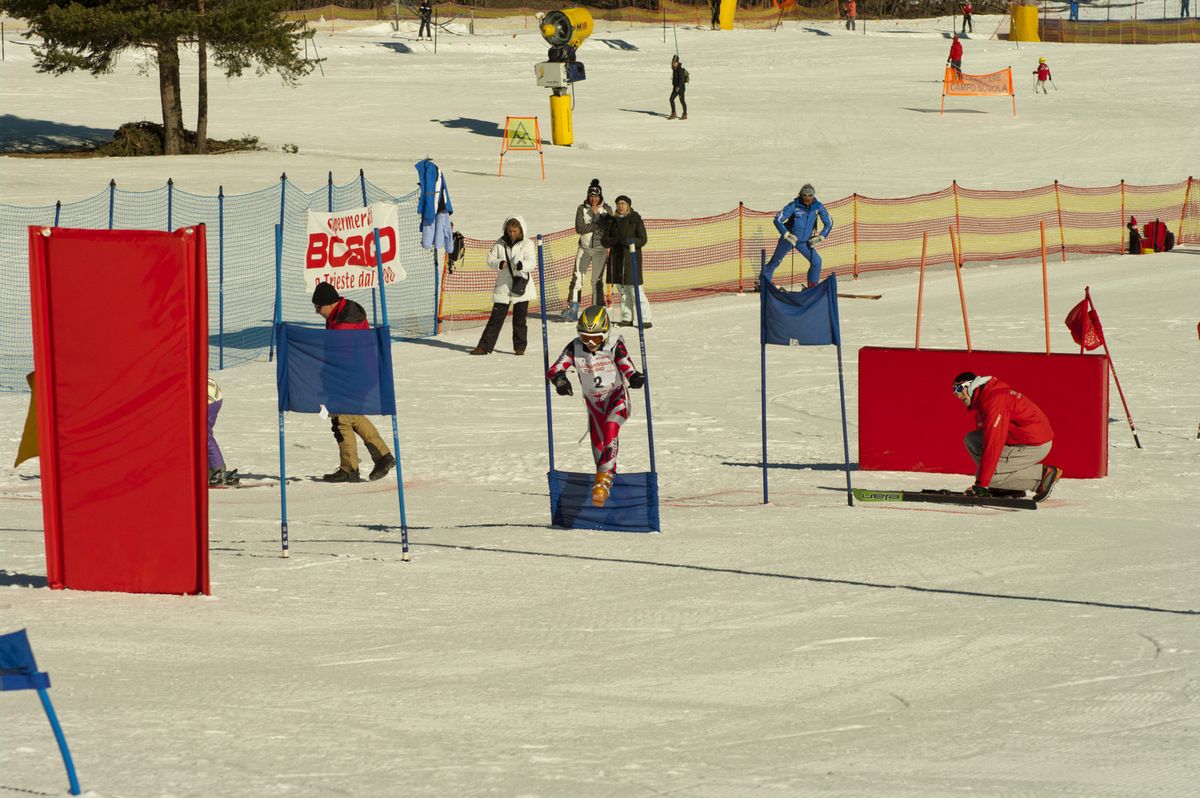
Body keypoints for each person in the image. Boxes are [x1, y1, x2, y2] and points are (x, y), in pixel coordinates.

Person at [547, 305, 645, 508]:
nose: (591, 343)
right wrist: (560, 380)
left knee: (611, 428)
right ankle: (611, 491)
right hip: (594, 407)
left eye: (597, 338)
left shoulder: (614, 345)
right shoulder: (575, 347)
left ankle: (603, 482)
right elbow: (556, 368)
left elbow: (626, 364)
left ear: (606, 334)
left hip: (616, 399)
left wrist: (634, 377)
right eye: (585, 338)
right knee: (600, 453)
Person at [312, 281, 396, 483]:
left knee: (342, 419)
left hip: (353, 375)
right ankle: (380, 457)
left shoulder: (343, 324)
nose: (317, 312)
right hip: (361, 373)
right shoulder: (342, 313)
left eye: (318, 307)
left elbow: (340, 357)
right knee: (351, 416)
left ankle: (351, 468)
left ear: (329, 304)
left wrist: (329, 379)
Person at [952, 372, 1062, 502]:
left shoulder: (995, 402)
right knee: (972, 439)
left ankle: (1042, 476)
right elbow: (988, 441)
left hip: (1034, 446)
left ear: (970, 386)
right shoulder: (985, 401)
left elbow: (993, 443)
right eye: (954, 393)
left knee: (989, 477)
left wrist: (981, 484)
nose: (958, 396)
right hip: (1020, 441)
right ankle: (1006, 487)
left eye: (959, 389)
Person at [470, 215, 537, 355]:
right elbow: (490, 260)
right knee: (496, 318)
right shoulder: (499, 243)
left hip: (521, 286)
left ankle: (520, 348)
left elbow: (531, 263)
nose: (512, 234)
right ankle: (484, 347)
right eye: (509, 231)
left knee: (519, 319)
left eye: (515, 231)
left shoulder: (528, 244)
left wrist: (521, 265)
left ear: (521, 230)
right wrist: (499, 263)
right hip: (504, 286)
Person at [762, 184, 833, 288]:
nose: (807, 198)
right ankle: (764, 282)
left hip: (804, 242)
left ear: (813, 195)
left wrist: (821, 236)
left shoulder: (818, 207)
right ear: (801, 195)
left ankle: (812, 285)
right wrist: (786, 234)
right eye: (805, 195)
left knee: (816, 261)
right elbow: (777, 219)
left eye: (810, 195)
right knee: (776, 260)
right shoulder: (794, 206)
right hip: (789, 239)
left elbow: (829, 223)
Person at [602, 195, 652, 329]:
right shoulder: (613, 221)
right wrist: (614, 241)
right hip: (616, 260)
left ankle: (645, 319)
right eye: (618, 204)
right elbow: (605, 239)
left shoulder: (635, 219)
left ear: (628, 205)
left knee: (636, 291)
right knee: (623, 291)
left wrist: (630, 241)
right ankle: (626, 318)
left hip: (631, 260)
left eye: (623, 204)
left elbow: (643, 239)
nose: (620, 206)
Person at [566, 179, 612, 322]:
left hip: (600, 250)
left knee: (596, 280)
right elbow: (579, 229)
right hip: (584, 248)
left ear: (600, 197)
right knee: (577, 277)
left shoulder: (607, 209)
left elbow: (607, 227)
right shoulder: (581, 209)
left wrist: (597, 216)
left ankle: (597, 309)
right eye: (591, 196)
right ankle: (573, 308)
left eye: (596, 197)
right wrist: (597, 225)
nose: (593, 199)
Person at [206, 376, 238, 486]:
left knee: (204, 435)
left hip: (210, 399)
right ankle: (211, 468)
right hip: (211, 395)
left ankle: (217, 469)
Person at [669, 55, 688, 120]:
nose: (673, 63)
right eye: (672, 62)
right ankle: (673, 113)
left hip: (681, 88)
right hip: (675, 87)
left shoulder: (680, 70)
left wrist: (678, 88)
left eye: (674, 62)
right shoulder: (675, 69)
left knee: (682, 101)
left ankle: (685, 114)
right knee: (671, 99)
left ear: (677, 62)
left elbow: (682, 81)